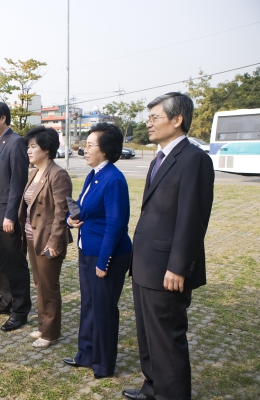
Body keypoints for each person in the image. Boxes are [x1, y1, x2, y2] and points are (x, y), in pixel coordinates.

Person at [122, 93, 214, 400]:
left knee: (167, 340)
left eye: (154, 118)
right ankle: (153, 388)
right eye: (148, 118)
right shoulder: (160, 157)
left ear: (177, 120)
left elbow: (192, 218)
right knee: (148, 336)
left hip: (167, 269)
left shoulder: (194, 159)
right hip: (146, 264)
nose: (148, 124)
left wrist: (178, 266)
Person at [61, 123, 132, 378]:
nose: (84, 149)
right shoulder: (94, 174)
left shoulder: (113, 179)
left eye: (90, 145)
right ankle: (86, 354)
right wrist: (71, 219)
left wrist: (104, 261)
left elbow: (116, 224)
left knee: (103, 309)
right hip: (87, 249)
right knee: (89, 305)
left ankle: (103, 363)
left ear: (106, 149)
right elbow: (81, 206)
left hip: (106, 253)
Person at [18, 126, 72, 347]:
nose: (29, 151)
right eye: (28, 147)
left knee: (49, 286)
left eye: (33, 146)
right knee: (39, 284)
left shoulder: (58, 174)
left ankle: (50, 333)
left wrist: (54, 242)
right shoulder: (34, 173)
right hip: (32, 236)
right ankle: (42, 326)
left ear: (47, 149)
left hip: (48, 239)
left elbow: (62, 212)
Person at [0, 101, 31, 332]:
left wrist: (11, 215)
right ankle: (5, 301)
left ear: (2, 118)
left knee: (14, 264)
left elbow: (17, 183)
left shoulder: (16, 142)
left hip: (6, 217)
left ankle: (20, 311)